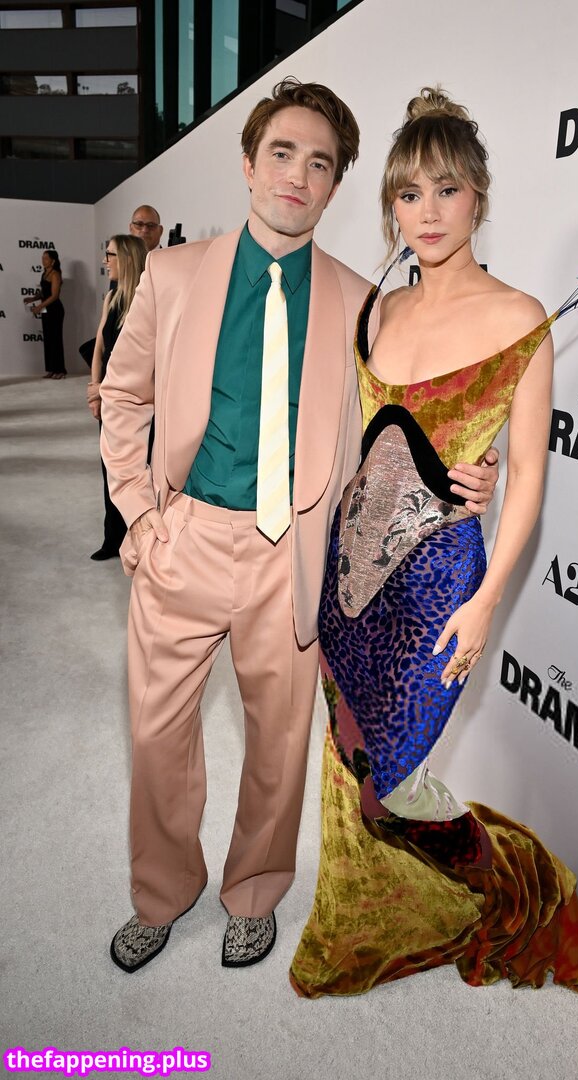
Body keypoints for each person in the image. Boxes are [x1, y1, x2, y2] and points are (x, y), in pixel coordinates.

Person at [99, 78, 499, 975]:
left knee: (278, 748)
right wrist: (140, 517)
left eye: (320, 164)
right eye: (281, 153)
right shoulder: (173, 274)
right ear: (249, 164)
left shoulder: (362, 304)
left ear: (335, 185)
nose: (297, 175)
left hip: (295, 556)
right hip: (185, 537)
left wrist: (477, 466)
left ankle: (254, 892)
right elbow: (122, 398)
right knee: (157, 740)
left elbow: (405, 424)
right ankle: (162, 893)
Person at [290, 88, 578, 997]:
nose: (426, 213)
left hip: (441, 584)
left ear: (479, 197)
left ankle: (507, 886)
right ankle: (364, 916)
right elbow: (372, 444)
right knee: (352, 759)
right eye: (407, 194)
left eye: (446, 190)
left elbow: (529, 478)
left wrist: (485, 600)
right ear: (390, 205)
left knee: (397, 780)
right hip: (353, 574)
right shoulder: (380, 311)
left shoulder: (520, 317)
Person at [86, 235, 147, 561]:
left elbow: (143, 363)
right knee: (108, 468)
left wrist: (104, 388)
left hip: (135, 402)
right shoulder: (110, 297)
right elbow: (99, 347)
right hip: (109, 397)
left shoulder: (146, 299)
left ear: (126, 258)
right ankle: (112, 539)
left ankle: (139, 540)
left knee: (135, 471)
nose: (105, 261)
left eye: (110, 255)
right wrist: (95, 389)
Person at [24, 249, 66, 378]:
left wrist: (39, 306)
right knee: (48, 339)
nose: (43, 260)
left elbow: (54, 295)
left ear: (53, 261)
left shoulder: (55, 274)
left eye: (46, 258)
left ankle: (60, 370)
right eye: (43, 258)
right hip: (46, 310)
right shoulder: (44, 273)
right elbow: (44, 292)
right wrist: (33, 299)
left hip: (55, 310)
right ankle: (51, 369)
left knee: (56, 339)